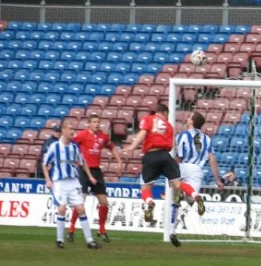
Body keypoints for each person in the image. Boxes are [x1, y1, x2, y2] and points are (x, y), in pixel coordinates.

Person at [123, 103, 202, 226]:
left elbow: (142, 133)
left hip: (150, 155)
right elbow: (170, 146)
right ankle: (195, 195)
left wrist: (132, 146)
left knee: (146, 187)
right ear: (165, 114)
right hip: (165, 156)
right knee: (178, 183)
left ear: (157, 112)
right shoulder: (169, 127)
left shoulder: (148, 119)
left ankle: (149, 203)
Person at [41, 119, 100, 250]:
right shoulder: (54, 147)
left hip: (73, 181)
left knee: (81, 209)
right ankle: (60, 240)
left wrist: (89, 176)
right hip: (60, 182)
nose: (73, 131)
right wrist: (48, 180)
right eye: (70, 129)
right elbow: (44, 164)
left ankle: (90, 240)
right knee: (61, 209)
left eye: (73, 129)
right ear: (63, 131)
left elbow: (82, 161)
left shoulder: (74, 147)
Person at [168, 111, 224, 247]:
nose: (187, 119)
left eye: (189, 117)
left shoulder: (183, 135)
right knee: (190, 199)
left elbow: (178, 156)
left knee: (176, 198)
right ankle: (196, 197)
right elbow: (212, 160)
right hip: (197, 170)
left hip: (183, 166)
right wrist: (217, 180)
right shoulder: (207, 139)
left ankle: (172, 231)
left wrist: (171, 174)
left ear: (192, 121)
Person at [67, 114, 122, 243]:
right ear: (89, 124)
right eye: (95, 122)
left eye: (98, 122)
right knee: (80, 202)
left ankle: (101, 230)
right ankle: (71, 229)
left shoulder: (103, 136)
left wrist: (119, 161)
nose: (97, 124)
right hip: (83, 171)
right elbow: (70, 144)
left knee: (104, 202)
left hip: (96, 171)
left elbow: (112, 147)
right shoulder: (82, 135)